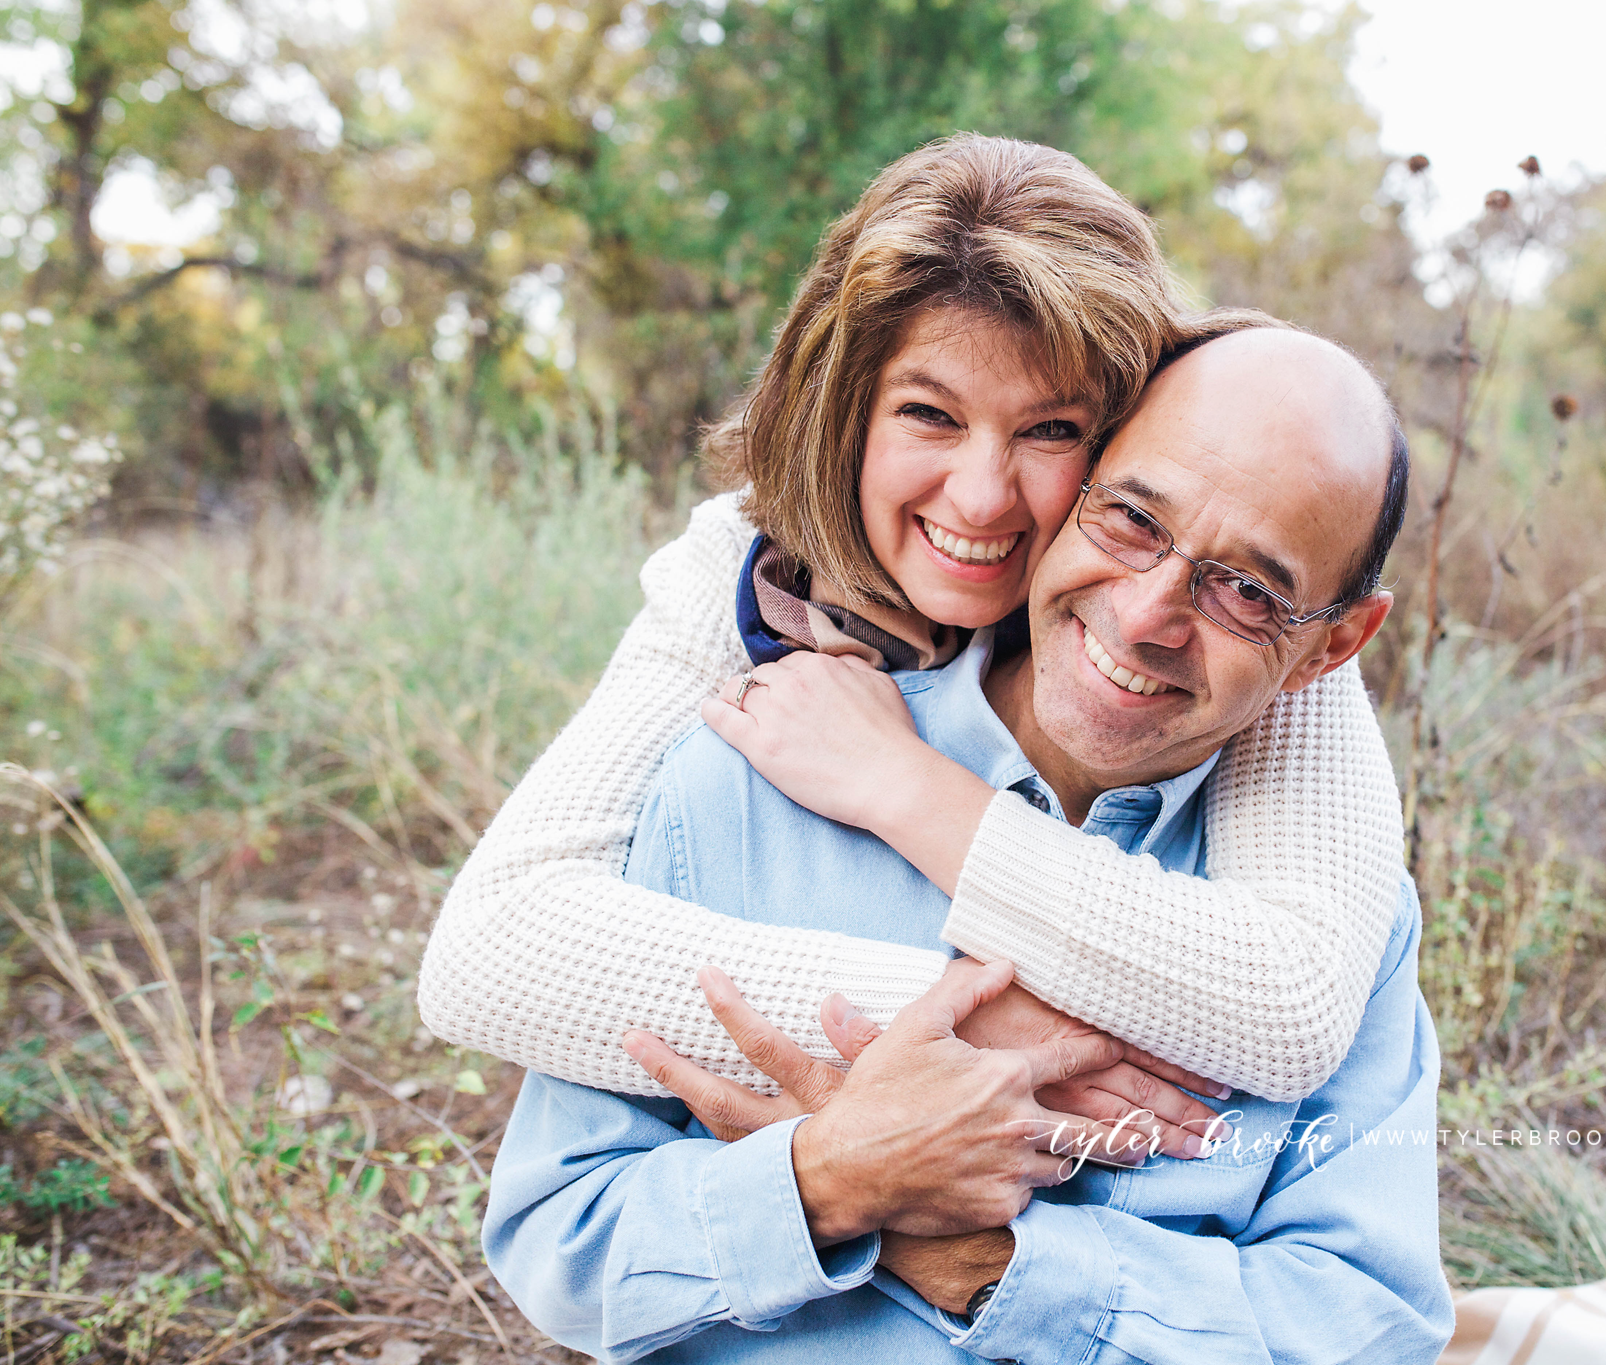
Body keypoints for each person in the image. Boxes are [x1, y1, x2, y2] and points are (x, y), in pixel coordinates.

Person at [485, 325, 1453, 1363]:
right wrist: (827, 1181)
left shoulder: (1337, 921)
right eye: (1131, 519)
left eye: (1247, 592)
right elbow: (556, 1237)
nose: (1142, 617)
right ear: (1076, 486)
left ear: (1334, 643)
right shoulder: (742, 778)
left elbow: (1368, 1327)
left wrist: (986, 1260)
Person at [416, 135, 1410, 1114]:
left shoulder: (1226, 622)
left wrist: (903, 786)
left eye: (1051, 430)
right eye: (928, 415)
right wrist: (967, 1030)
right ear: (845, 410)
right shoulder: (743, 573)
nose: (979, 500)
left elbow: (1289, 1004)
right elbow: (491, 952)